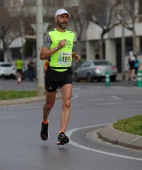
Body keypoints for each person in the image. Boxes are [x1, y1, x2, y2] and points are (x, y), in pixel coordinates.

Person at [39, 9, 80, 145]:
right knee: (49, 105)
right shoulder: (50, 35)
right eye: (62, 17)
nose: (65, 20)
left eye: (66, 17)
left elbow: (66, 50)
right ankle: (45, 122)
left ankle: (61, 134)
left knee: (67, 102)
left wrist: (73, 54)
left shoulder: (70, 34)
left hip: (66, 72)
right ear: (56, 19)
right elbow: (42, 55)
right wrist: (57, 47)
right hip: (52, 72)